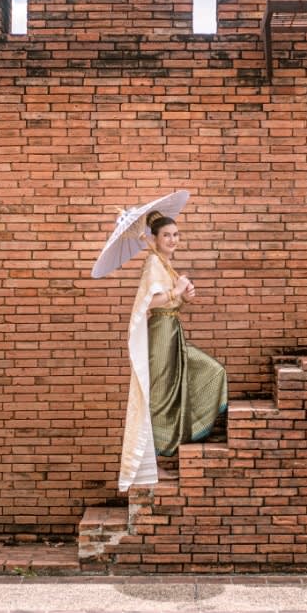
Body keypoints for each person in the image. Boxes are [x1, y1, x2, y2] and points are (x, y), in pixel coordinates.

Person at [117, 210, 228, 492]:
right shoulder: (153, 262)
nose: (172, 239)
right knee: (160, 394)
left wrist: (184, 297)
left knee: (212, 371)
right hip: (160, 335)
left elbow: (170, 300)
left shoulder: (164, 262)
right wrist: (176, 292)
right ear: (154, 238)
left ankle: (181, 438)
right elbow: (148, 302)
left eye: (176, 235)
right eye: (166, 235)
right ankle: (152, 462)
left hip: (173, 331)